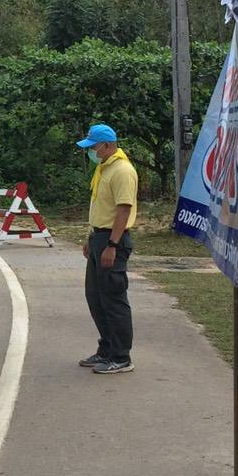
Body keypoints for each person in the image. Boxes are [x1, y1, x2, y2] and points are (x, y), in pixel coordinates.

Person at [76, 123, 138, 376]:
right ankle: (106, 349)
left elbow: (123, 209)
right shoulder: (104, 168)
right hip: (99, 236)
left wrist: (112, 245)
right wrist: (91, 238)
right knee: (96, 297)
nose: (91, 151)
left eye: (94, 147)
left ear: (107, 145)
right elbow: (101, 207)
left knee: (113, 299)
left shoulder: (122, 170)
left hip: (114, 239)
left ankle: (121, 357)